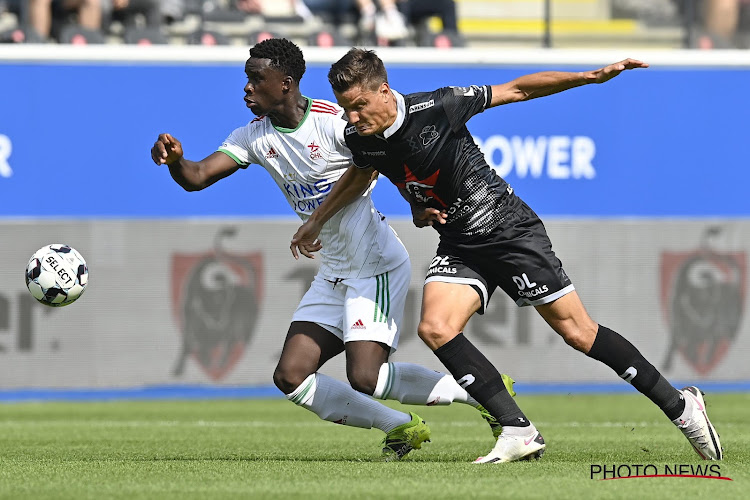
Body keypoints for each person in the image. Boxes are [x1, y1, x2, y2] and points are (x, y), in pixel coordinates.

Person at [290, 48, 723, 463]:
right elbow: (365, 172)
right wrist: (349, 215)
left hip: (508, 229)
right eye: (346, 108)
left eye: (360, 105)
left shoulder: (438, 106)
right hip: (460, 242)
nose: (352, 117)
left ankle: (680, 406)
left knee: (578, 332)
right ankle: (517, 429)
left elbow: (517, 88)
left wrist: (590, 77)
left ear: (384, 90)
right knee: (436, 328)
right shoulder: (360, 137)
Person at [150, 38, 516, 462]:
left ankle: (485, 391)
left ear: (285, 84)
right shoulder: (252, 137)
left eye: (255, 79)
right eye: (246, 79)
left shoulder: (335, 123)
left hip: (374, 264)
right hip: (334, 272)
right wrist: (177, 159)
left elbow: (378, 164)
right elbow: (196, 177)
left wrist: (399, 208)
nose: (246, 88)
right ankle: (399, 426)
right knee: (291, 376)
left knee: (365, 376)